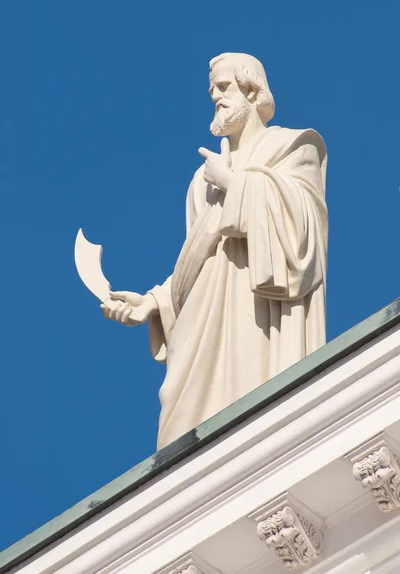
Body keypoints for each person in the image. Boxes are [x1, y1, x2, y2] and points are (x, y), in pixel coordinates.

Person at [101, 53, 328, 449]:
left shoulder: (292, 147)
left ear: (252, 91)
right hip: (204, 324)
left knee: (254, 406)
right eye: (212, 90)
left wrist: (237, 185)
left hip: (260, 315)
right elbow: (203, 261)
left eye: (224, 87)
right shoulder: (200, 182)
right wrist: (154, 302)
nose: (215, 97)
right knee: (182, 437)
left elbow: (304, 230)